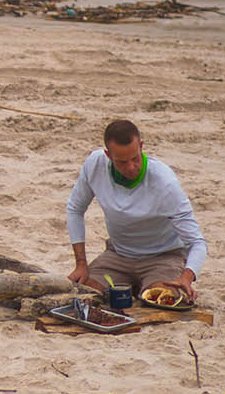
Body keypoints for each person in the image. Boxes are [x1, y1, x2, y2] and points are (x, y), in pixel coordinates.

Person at [65, 118, 206, 302]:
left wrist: (186, 278)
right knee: (84, 295)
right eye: (122, 162)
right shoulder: (94, 165)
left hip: (163, 257)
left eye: (135, 159)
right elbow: (75, 209)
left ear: (141, 146)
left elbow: (197, 242)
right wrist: (81, 264)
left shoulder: (165, 183)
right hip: (118, 255)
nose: (131, 167)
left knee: (160, 299)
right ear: (108, 155)